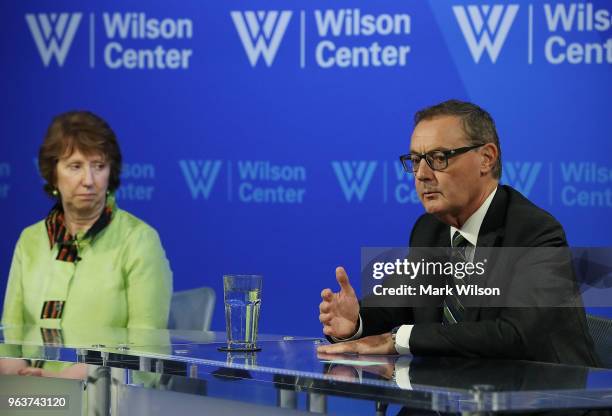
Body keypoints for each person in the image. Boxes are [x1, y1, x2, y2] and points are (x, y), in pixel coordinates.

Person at [318, 99, 599, 367]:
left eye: (438, 158)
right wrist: (355, 322)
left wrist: (399, 340)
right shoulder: (429, 231)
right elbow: (396, 302)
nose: (422, 174)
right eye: (416, 160)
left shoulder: (534, 233)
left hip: (542, 399)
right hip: (453, 394)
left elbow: (514, 336)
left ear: (486, 158)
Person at [1, 111, 173, 376]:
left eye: (99, 166)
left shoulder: (139, 240)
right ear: (53, 173)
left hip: (104, 397)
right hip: (32, 395)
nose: (89, 181)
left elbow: (148, 355)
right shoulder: (30, 240)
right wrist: (14, 372)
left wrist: (85, 375)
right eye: (75, 166)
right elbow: (8, 340)